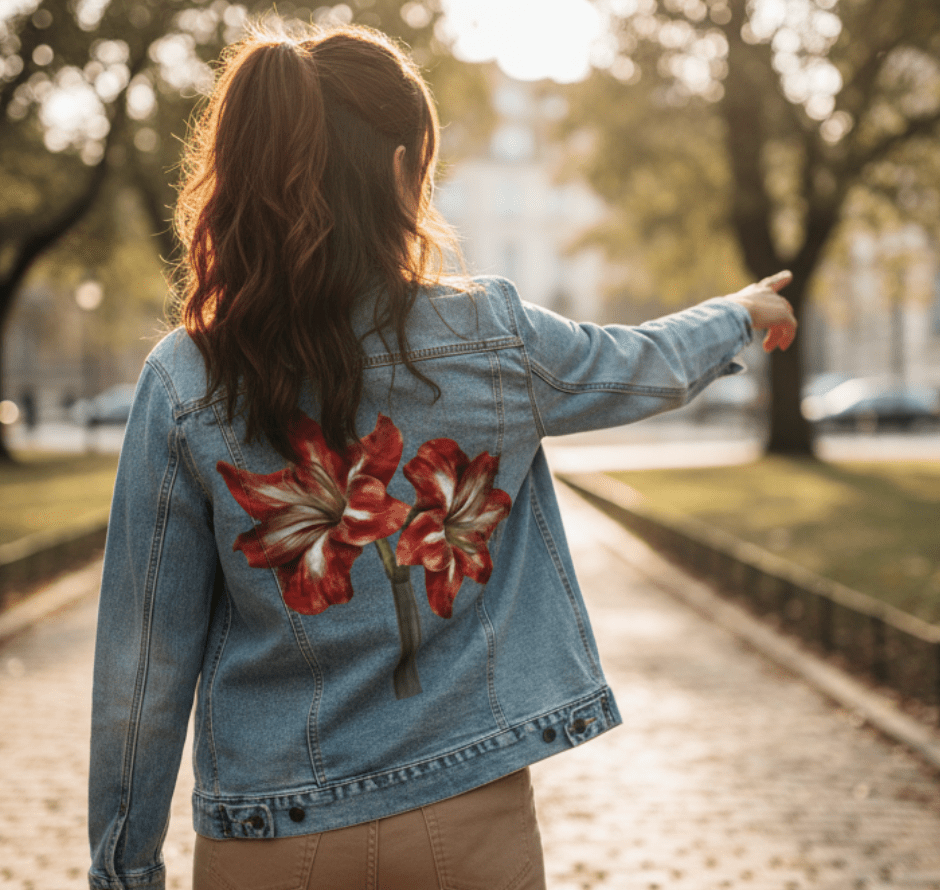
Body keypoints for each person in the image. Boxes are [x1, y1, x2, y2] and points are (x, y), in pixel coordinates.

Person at [88, 22, 797, 890]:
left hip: (270, 829)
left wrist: (124, 871)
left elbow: (143, 664)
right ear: (399, 173)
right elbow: (638, 363)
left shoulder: (186, 378)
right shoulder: (490, 337)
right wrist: (741, 312)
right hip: (467, 819)